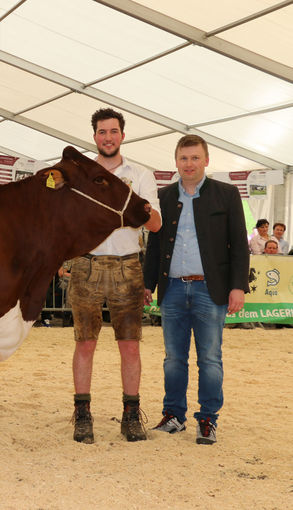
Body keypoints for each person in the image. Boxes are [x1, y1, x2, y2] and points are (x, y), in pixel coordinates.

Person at [144, 134, 249, 445]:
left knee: (210, 359)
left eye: (194, 158)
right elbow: (154, 246)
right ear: (176, 162)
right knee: (173, 358)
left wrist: (238, 287)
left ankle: (207, 420)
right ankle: (174, 415)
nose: (188, 164)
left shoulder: (227, 195)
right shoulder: (162, 197)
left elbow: (239, 246)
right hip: (173, 289)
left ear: (206, 160)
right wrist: (147, 284)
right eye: (183, 158)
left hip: (210, 290)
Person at [69, 108, 162, 444]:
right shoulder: (79, 175)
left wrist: (141, 209)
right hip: (86, 264)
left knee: (130, 347)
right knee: (84, 343)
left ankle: (131, 416)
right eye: (101, 132)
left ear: (123, 134)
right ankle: (82, 415)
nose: (107, 137)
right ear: (94, 136)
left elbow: (156, 224)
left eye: (113, 131)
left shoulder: (140, 175)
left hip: (128, 265)